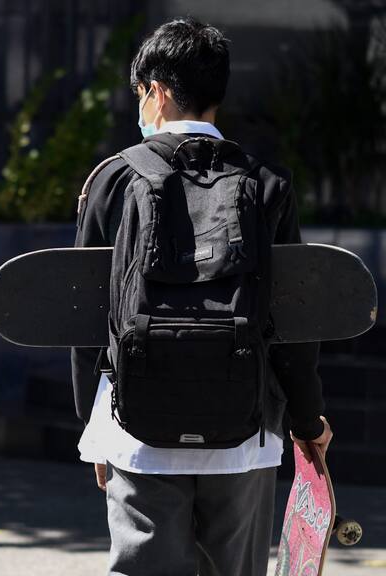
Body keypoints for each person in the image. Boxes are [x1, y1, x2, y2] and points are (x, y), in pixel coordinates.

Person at [71, 19, 333, 576]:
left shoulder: (113, 181)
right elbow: (292, 326)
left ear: (157, 92)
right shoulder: (267, 186)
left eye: (140, 93)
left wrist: (96, 430)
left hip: (137, 428)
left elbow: (86, 319)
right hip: (245, 434)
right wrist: (308, 421)